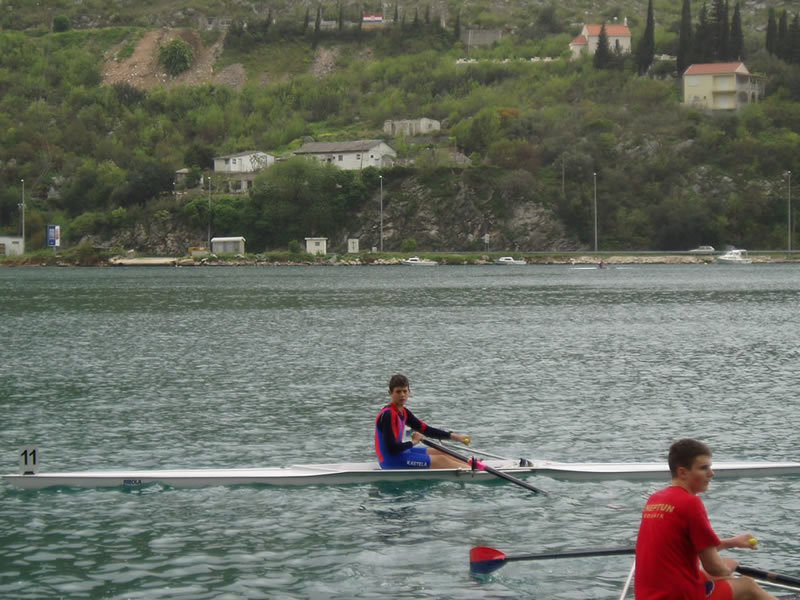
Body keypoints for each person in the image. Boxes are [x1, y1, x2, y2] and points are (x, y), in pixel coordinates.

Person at [634, 439, 777, 600]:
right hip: (679, 596)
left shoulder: (655, 498)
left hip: (648, 594)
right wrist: (726, 571)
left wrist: (732, 542)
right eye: (704, 468)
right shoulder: (690, 503)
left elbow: (689, 547)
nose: (711, 473)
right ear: (682, 472)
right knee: (747, 585)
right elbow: (714, 568)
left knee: (727, 565)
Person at [375, 374, 470, 469]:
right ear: (390, 393)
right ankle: (473, 471)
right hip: (391, 461)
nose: (402, 395)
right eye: (398, 392)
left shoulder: (403, 412)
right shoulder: (388, 415)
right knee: (441, 460)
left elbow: (427, 430)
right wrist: (413, 442)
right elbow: (392, 448)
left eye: (405, 391)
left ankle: (472, 466)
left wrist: (456, 436)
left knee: (443, 452)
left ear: (409, 391)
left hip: (402, 453)